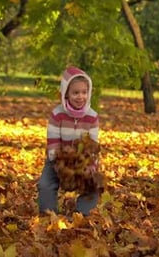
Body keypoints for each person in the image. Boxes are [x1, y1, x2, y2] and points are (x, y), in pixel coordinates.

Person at [37, 66, 100, 216]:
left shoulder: (92, 116)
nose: (80, 97)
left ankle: (81, 214)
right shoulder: (57, 114)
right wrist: (58, 163)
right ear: (66, 93)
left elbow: (93, 144)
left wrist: (90, 164)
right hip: (58, 159)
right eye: (75, 93)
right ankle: (48, 214)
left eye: (84, 92)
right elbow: (52, 141)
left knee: (94, 185)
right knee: (45, 185)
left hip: (82, 160)